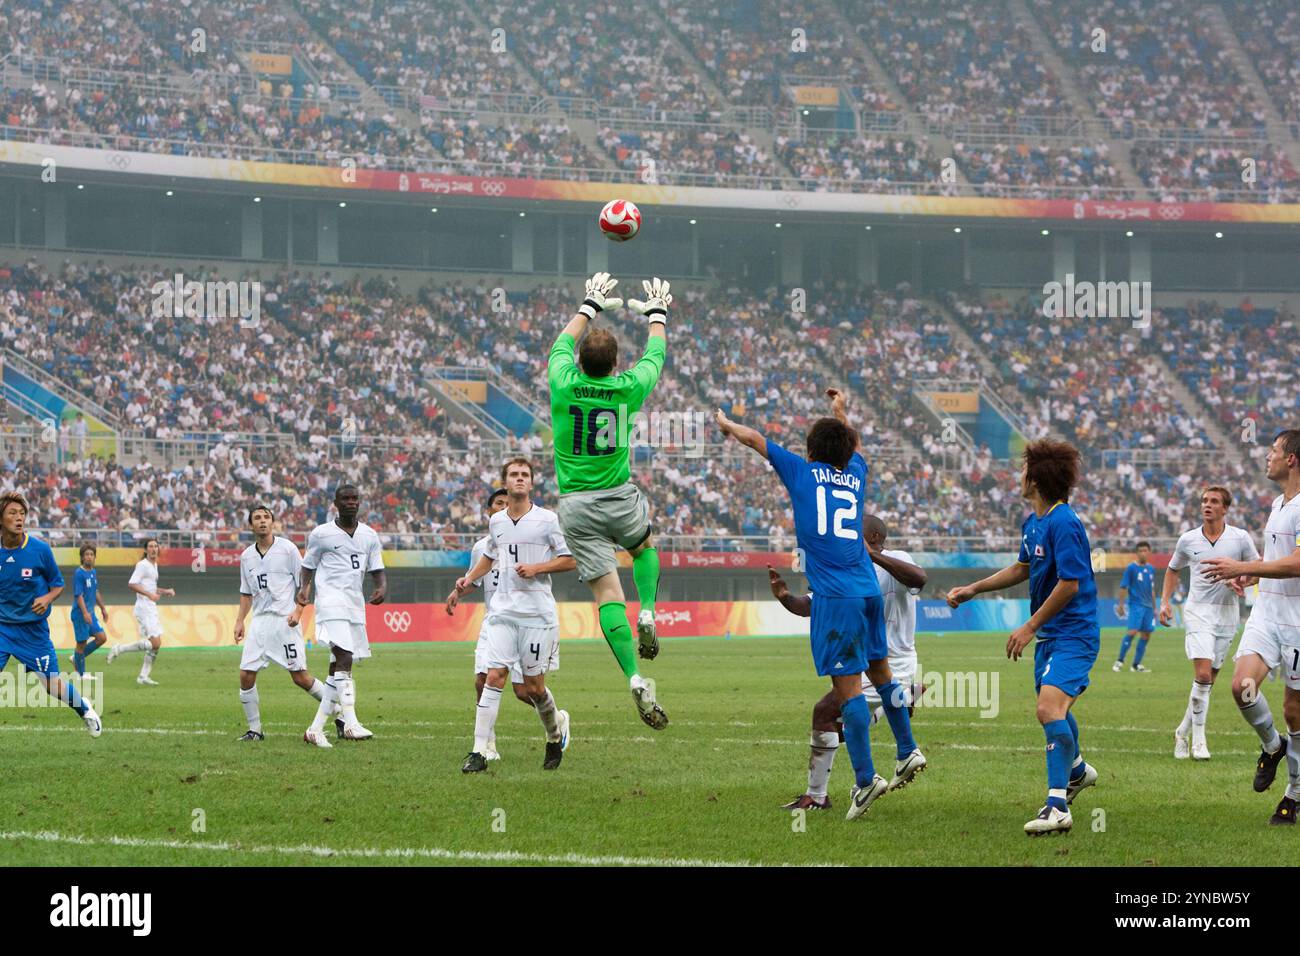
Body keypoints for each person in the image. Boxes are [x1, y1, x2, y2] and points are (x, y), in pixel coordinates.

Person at [717, 387, 925, 821]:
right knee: (881, 672)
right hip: (868, 589)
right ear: (847, 453)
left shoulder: (802, 471)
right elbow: (855, 445)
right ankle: (907, 751)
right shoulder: (857, 474)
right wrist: (841, 411)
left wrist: (727, 425)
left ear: (811, 451)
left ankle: (866, 780)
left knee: (847, 689)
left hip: (835, 597)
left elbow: (756, 441)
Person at [947, 439, 1100, 835]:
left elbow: (1070, 583)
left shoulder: (1064, 522)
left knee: (1048, 709)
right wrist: (973, 589)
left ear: (1037, 478)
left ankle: (1057, 805)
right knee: (1057, 710)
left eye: (1024, 470)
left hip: (1073, 633)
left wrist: (1029, 625)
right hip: (1051, 635)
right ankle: (1078, 770)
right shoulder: (1034, 522)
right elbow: (1022, 568)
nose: (1020, 476)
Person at [547, 272, 670, 729]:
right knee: (643, 547)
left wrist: (589, 305)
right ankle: (651, 611)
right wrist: (656, 313)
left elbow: (560, 344)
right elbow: (655, 355)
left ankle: (636, 677)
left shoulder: (563, 380)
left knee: (606, 594)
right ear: (616, 363)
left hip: (575, 504)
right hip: (618, 494)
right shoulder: (627, 388)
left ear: (580, 360)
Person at [770, 514, 928, 811]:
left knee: (826, 714)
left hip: (891, 661)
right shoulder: (843, 569)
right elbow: (810, 606)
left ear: (870, 538)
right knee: (845, 716)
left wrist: (876, 558)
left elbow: (919, 578)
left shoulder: (895, 559)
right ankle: (901, 704)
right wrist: (785, 596)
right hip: (868, 663)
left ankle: (822, 794)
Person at [1202, 430, 1300, 825]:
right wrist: (1252, 577)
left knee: (1295, 710)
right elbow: (1277, 560)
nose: (1268, 456)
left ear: (1291, 458)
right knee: (1241, 687)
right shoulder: (1279, 503)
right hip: (1267, 610)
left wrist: (1245, 567)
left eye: (1274, 450)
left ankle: (1294, 793)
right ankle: (1272, 746)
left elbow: (1297, 563)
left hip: (1297, 619)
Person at [454, 459, 575, 773]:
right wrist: (468, 580)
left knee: (533, 688)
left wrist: (538, 568)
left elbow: (570, 559)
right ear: (505, 483)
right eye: (514, 475)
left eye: (524, 475)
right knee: (493, 677)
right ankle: (479, 752)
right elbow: (490, 557)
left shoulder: (548, 520)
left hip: (537, 614)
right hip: (503, 613)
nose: (519, 479)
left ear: (531, 483)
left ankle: (553, 734)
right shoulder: (497, 523)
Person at [1159, 487, 1258, 760]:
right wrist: (1165, 602)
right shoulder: (1188, 540)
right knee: (1202, 675)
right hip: (1198, 611)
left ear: (1225, 508)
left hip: (1227, 613)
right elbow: (1172, 569)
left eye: (1214, 501)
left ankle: (1181, 731)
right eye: (1204, 501)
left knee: (1208, 681)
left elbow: (1258, 570)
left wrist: (1241, 579)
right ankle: (1199, 741)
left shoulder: (1240, 538)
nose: (1207, 505)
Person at [0, 493, 100, 736]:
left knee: (51, 686)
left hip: (33, 631)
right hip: (2, 628)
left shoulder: (39, 550)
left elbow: (57, 584)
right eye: (12, 513)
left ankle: (85, 709)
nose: (19, 518)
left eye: (22, 513)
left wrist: (46, 598)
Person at [298, 484, 386, 744]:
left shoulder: (369, 535)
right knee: (345, 656)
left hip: (354, 605)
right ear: (335, 503)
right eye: (345, 499)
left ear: (360, 502)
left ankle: (314, 730)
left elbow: (377, 568)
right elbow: (308, 566)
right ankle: (351, 722)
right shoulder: (321, 534)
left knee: (337, 666)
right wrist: (303, 589)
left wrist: (381, 587)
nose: (351, 502)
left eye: (355, 498)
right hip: (330, 602)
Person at [234, 505, 328, 743]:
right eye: (257, 518)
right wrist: (239, 621)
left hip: (285, 621)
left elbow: (304, 582)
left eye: (266, 517)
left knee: (300, 677)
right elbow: (246, 593)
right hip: (259, 623)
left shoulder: (287, 549)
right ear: (251, 525)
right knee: (246, 674)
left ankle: (339, 711)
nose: (262, 521)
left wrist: (298, 610)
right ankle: (255, 730)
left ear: (273, 522)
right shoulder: (246, 556)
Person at [106, 538, 173, 685]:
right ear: (145, 550)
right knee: (154, 643)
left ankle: (143, 677)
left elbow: (150, 587)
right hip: (144, 607)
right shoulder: (142, 565)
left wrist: (164, 591)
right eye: (151, 546)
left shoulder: (154, 565)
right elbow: (132, 583)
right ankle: (119, 649)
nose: (154, 549)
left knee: (156, 645)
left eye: (156, 546)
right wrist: (149, 595)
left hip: (151, 607)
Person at [1113, 542, 1157, 672]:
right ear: (1137, 553)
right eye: (1141, 550)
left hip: (1148, 606)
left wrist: (1155, 608)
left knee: (1146, 635)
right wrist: (1121, 605)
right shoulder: (1131, 568)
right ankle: (1119, 661)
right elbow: (1123, 586)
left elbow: (1152, 589)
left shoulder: (1151, 569)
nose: (1143, 553)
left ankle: (1136, 665)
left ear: (1149, 552)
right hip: (1136, 604)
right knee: (1132, 632)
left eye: (1145, 550)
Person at [69, 544, 109, 677]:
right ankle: (81, 674)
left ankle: (76, 658)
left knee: (101, 638)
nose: (89, 557)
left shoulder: (93, 572)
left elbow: (95, 591)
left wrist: (103, 608)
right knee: (81, 643)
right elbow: (78, 595)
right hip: (81, 614)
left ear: (95, 557)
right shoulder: (79, 573)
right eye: (86, 554)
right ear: (82, 557)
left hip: (90, 614)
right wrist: (85, 613)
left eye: (91, 554)